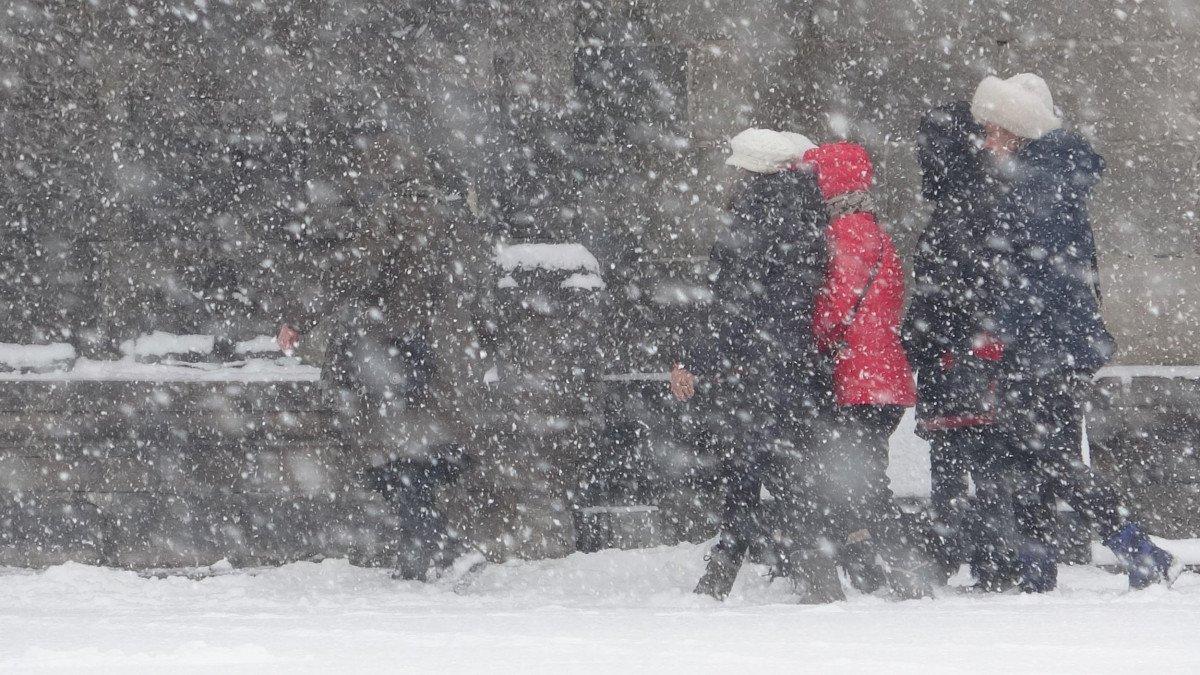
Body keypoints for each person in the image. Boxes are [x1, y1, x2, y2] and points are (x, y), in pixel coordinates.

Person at [974, 73, 1178, 591]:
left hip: (1043, 345)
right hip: (1053, 343)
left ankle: (1138, 549)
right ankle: (1040, 566)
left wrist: (1004, 327)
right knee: (1036, 455)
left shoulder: (1038, 183)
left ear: (1018, 129)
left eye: (994, 130)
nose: (987, 141)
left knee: (1045, 456)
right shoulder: (1048, 176)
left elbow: (1040, 278)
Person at [273, 130, 487, 579]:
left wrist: (300, 318)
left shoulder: (391, 216)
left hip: (390, 353)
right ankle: (420, 554)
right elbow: (469, 286)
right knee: (417, 460)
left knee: (388, 460)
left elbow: (351, 270)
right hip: (438, 356)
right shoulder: (448, 218)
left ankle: (445, 548)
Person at [670, 128, 836, 602]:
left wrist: (694, 360)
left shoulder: (753, 218)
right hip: (793, 363)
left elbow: (730, 303)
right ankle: (815, 573)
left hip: (757, 366)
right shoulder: (808, 213)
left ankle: (723, 573)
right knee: (785, 470)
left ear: (750, 172)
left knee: (747, 471)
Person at [801, 141, 932, 599]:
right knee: (861, 477)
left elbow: (836, 307)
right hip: (884, 374)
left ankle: (905, 571)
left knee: (866, 483)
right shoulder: (876, 232)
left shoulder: (844, 233)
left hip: (856, 376)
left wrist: (812, 339)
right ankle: (871, 570)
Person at [906, 101, 1011, 587]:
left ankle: (955, 554)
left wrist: (919, 341)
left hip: (954, 353)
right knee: (985, 463)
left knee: (953, 464)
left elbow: (941, 294)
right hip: (980, 352)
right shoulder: (988, 197)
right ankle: (992, 557)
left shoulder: (955, 210)